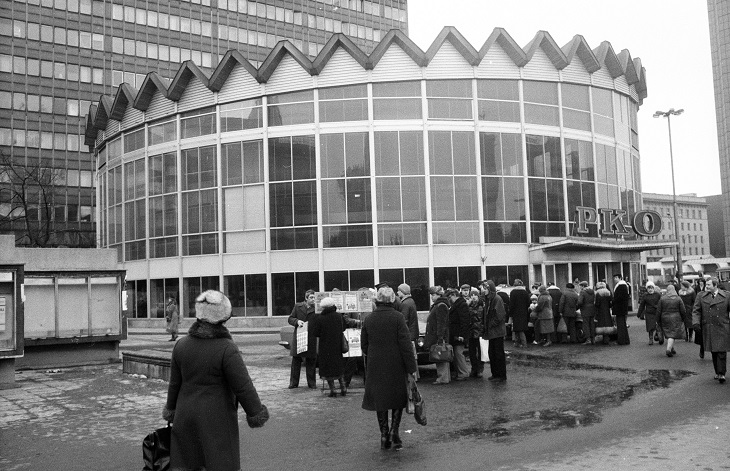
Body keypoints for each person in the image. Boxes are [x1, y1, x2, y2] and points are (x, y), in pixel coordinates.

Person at [163, 290, 269, 471]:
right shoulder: (226, 348)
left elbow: (175, 384)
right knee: (221, 462)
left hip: (185, 415)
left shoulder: (181, 345)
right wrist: (255, 412)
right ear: (223, 318)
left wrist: (171, 409)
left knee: (189, 463)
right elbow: (243, 386)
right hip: (217, 417)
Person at [361, 286, 418, 450]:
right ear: (393, 299)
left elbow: (364, 344)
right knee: (397, 399)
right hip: (395, 363)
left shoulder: (369, 319)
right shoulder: (398, 317)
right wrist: (411, 367)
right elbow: (405, 344)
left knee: (381, 400)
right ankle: (394, 432)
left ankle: (384, 434)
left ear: (377, 299)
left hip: (376, 364)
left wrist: (373, 354)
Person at [692, 278, 730, 383]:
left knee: (721, 350)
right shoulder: (701, 296)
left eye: (708, 285)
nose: (706, 286)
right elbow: (696, 311)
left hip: (723, 327)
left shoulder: (727, 296)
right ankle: (717, 372)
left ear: (715, 285)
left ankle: (722, 373)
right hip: (708, 327)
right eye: (706, 285)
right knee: (714, 351)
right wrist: (695, 322)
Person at [310, 297, 347, 397]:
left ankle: (333, 390)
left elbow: (315, 333)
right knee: (338, 366)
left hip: (325, 347)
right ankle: (343, 387)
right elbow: (344, 327)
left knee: (328, 369)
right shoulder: (339, 316)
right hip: (337, 345)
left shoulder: (320, 318)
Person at [287, 289, 318, 389]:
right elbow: (290, 319)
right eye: (311, 298)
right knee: (296, 361)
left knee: (311, 361)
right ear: (306, 298)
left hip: (311, 338)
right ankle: (293, 383)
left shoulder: (317, 309)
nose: (313, 299)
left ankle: (312, 383)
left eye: (314, 297)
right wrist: (297, 321)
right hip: (299, 337)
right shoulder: (297, 306)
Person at [424, 286, 450, 385]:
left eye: (433, 295)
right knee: (441, 355)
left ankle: (442, 378)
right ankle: (444, 377)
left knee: (441, 356)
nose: (432, 297)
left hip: (438, 336)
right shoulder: (439, 305)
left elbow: (441, 323)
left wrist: (440, 337)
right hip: (438, 335)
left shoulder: (440, 306)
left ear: (439, 295)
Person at [483, 280, 507, 381]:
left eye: (485, 289)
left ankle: (501, 375)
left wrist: (490, 324)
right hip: (492, 331)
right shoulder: (489, 299)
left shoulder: (497, 299)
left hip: (497, 331)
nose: (483, 290)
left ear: (490, 289)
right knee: (492, 353)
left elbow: (500, 315)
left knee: (498, 354)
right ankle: (495, 374)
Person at [657, 284, 687, 357]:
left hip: (665, 318)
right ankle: (668, 349)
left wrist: (658, 320)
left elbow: (658, 310)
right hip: (676, 318)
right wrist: (683, 318)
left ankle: (672, 348)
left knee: (669, 333)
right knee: (672, 333)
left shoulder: (662, 299)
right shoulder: (678, 299)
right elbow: (683, 310)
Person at [397, 283, 420, 381]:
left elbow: (404, 320)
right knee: (413, 356)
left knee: (410, 355)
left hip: (409, 334)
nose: (397, 292)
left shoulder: (405, 304)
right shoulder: (411, 302)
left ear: (403, 292)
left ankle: (413, 376)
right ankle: (415, 375)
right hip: (413, 333)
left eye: (399, 290)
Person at [447, 288, 470, 381]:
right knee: (457, 353)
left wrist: (462, 335)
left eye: (450, 296)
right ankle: (461, 372)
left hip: (458, 334)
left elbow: (465, 321)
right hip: (457, 333)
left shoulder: (461, 305)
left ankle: (463, 373)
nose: (449, 299)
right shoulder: (460, 304)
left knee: (458, 353)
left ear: (454, 295)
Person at [466, 287, 484, 377]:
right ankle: (474, 368)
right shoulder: (468, 306)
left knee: (480, 352)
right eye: (471, 295)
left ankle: (480, 369)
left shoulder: (481, 306)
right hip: (471, 331)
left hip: (479, 331)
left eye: (475, 295)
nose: (473, 297)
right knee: (472, 352)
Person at [637, 281, 661, 346]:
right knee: (650, 326)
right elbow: (642, 305)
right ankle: (650, 339)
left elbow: (661, 303)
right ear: (647, 289)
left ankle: (658, 336)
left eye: (651, 288)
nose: (650, 289)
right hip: (649, 313)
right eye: (649, 288)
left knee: (657, 326)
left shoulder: (658, 295)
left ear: (654, 288)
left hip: (656, 312)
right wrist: (639, 313)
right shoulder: (645, 295)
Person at [509, 279, 530, 348]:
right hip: (524, 312)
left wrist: (510, 314)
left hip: (516, 313)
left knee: (518, 329)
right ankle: (518, 343)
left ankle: (523, 343)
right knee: (520, 328)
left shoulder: (513, 292)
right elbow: (528, 303)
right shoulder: (525, 292)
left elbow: (511, 304)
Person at [613, 274, 631, 345]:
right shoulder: (624, 285)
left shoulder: (621, 286)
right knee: (623, 324)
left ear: (620, 278)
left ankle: (621, 340)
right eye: (614, 278)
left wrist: (613, 301)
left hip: (620, 309)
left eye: (616, 277)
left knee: (620, 325)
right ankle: (625, 340)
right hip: (622, 309)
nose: (614, 279)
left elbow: (619, 298)